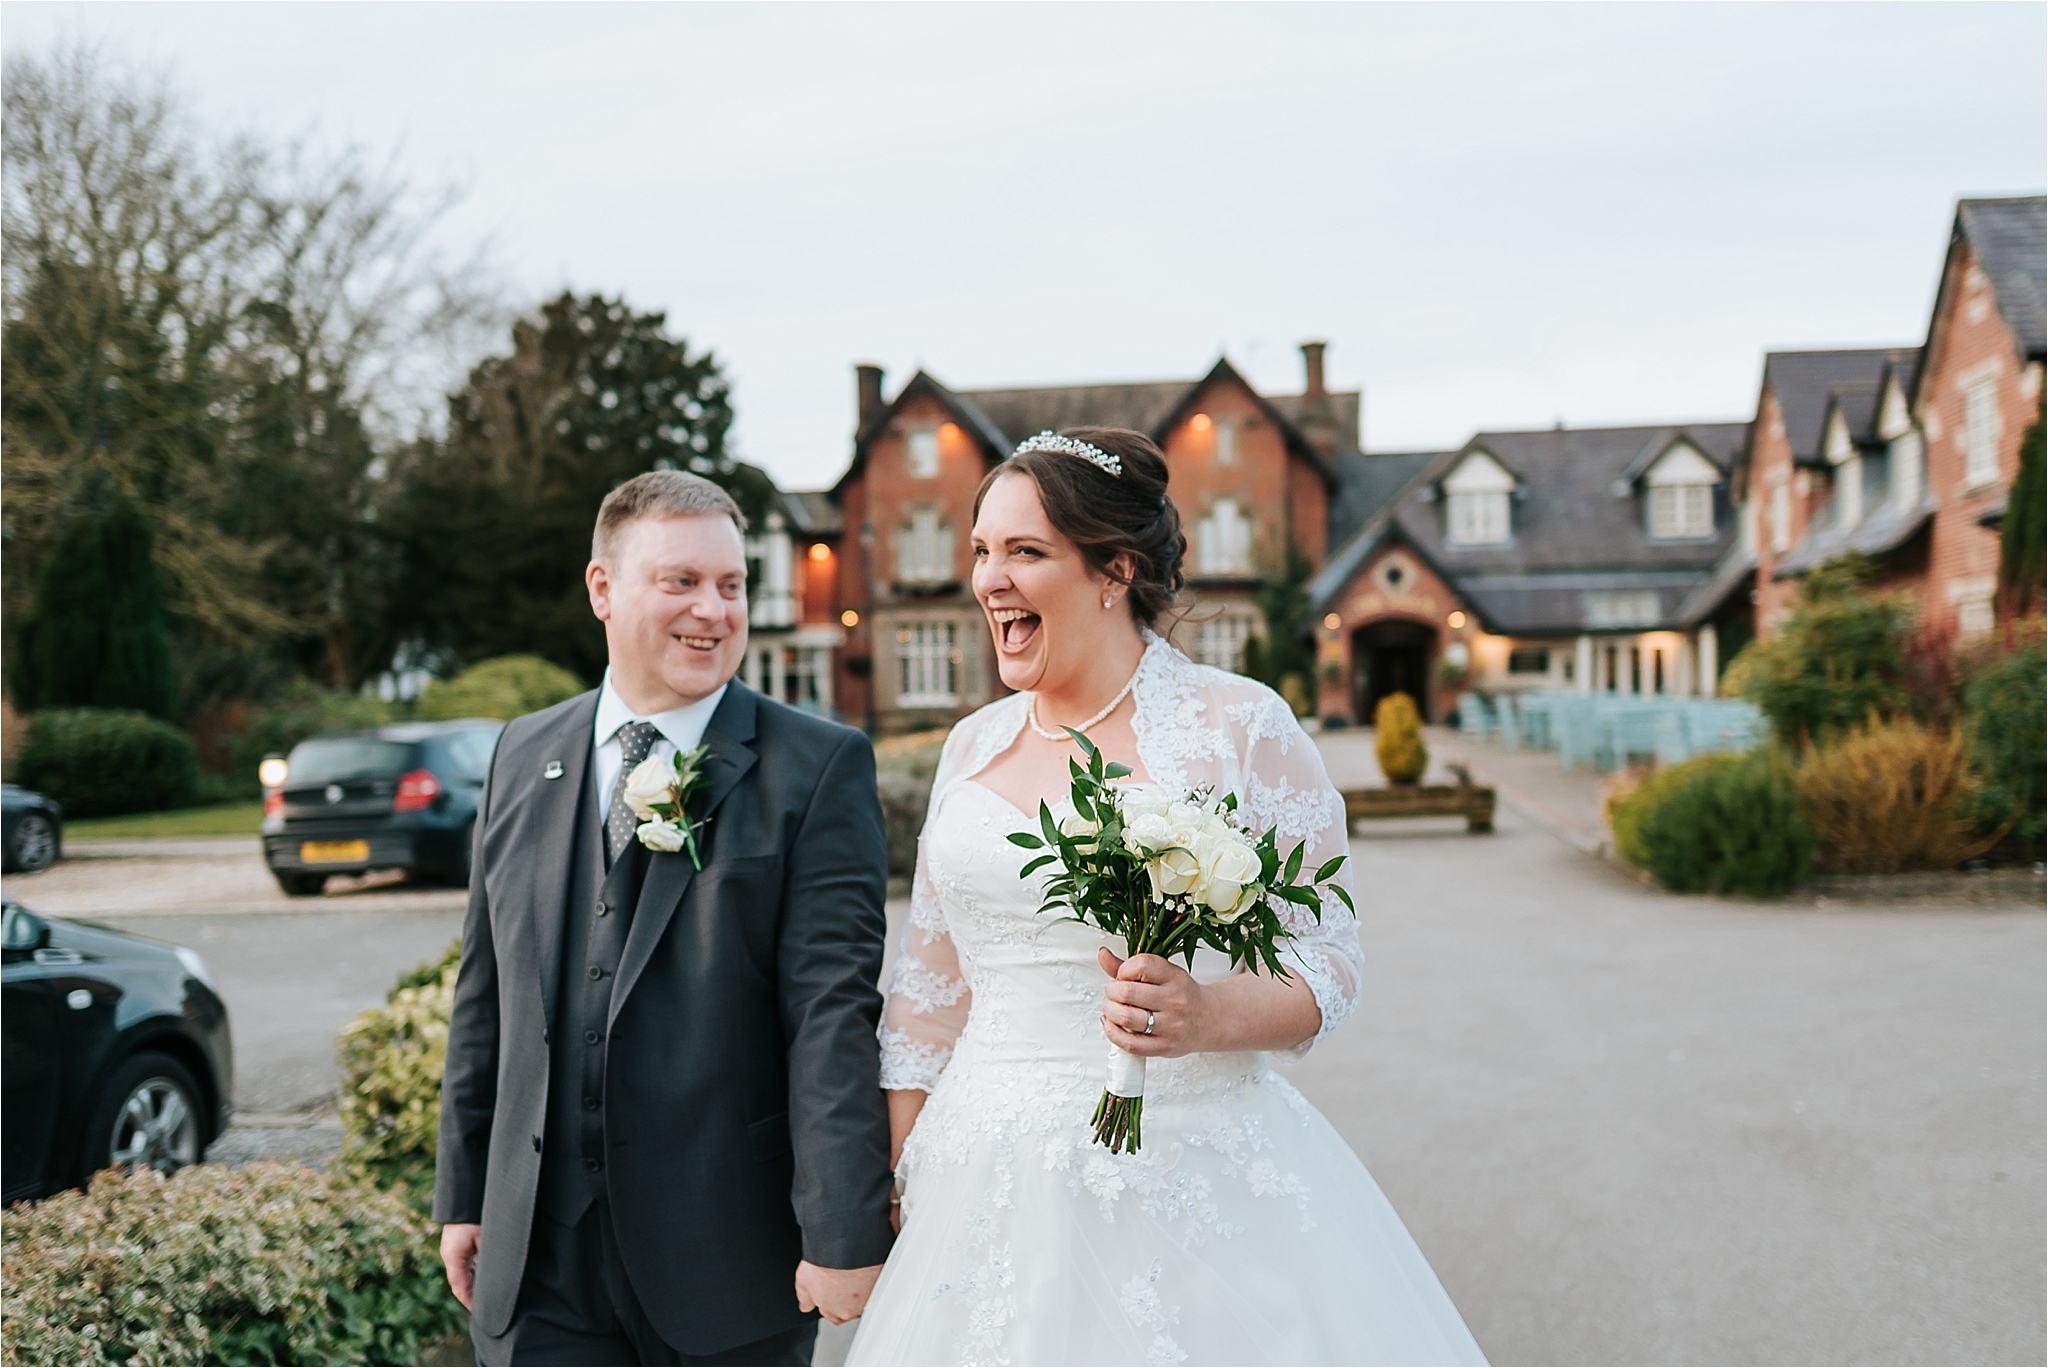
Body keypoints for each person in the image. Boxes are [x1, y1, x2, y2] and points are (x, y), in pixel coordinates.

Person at [846, 429, 1486, 1366]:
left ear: (1115, 570)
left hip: (1191, 1174)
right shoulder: (972, 747)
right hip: (980, 1186)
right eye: (982, 551)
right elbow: (926, 1000)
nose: (990, 580)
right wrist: (902, 1178)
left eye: (1025, 552)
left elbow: (1331, 960)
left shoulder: (1241, 727)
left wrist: (1207, 1012)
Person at [434, 471, 895, 1366]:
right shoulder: (522, 751)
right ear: (603, 590)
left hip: (727, 1259)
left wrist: (843, 1227)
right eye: (681, 582)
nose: (714, 610)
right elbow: (484, 992)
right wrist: (464, 1191)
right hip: (538, 1260)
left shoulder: (818, 768)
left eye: (732, 586)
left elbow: (831, 1014)